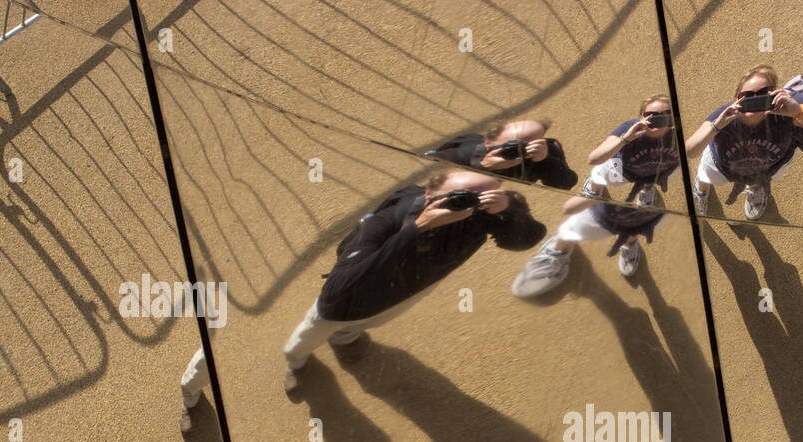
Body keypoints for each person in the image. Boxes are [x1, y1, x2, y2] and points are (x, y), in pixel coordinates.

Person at [281, 167, 545, 390]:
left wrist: (509, 209)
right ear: (429, 195)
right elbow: (338, 289)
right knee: (309, 334)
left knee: (374, 319)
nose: (469, 205)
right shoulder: (384, 223)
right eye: (460, 197)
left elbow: (526, 239)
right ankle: (296, 363)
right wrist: (420, 228)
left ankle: (344, 340)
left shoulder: (480, 214)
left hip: (407, 291)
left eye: (481, 198)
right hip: (343, 303)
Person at [510, 95, 679, 297]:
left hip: (649, 171)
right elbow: (594, 158)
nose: (657, 119)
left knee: (639, 212)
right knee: (602, 173)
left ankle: (644, 197)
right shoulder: (630, 128)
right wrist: (627, 138)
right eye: (650, 115)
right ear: (640, 117)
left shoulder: (676, 137)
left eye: (664, 115)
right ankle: (594, 189)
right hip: (621, 169)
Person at [685, 64, 803, 220]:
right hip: (720, 165)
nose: (755, 99)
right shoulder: (726, 114)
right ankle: (701, 190)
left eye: (764, 93)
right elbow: (691, 151)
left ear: (775, 93)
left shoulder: (788, 104)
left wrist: (798, 111)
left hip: (770, 166)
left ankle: (756, 187)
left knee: (759, 178)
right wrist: (716, 126)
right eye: (747, 96)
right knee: (705, 175)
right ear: (736, 98)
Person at [425, 118, 578, 190]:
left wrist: (545, 160)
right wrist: (484, 166)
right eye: (512, 144)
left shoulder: (546, 152)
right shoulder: (466, 150)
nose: (519, 151)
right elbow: (437, 164)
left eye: (527, 145)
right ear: (488, 141)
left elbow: (567, 183)